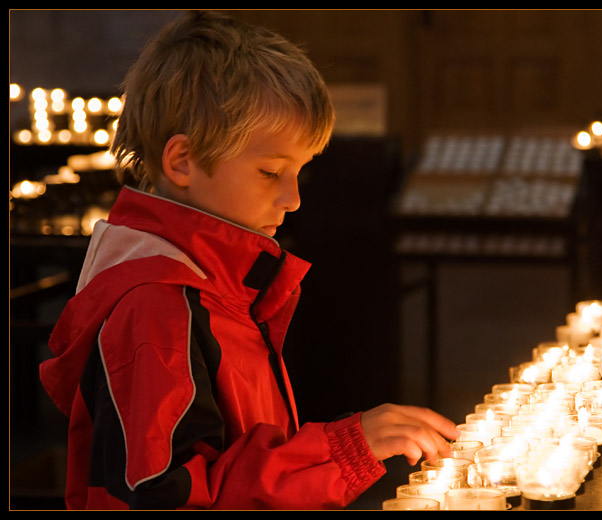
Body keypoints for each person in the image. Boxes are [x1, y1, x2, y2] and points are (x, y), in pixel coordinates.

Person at [39, 10, 458, 510]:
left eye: (299, 171)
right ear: (183, 162)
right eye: (270, 171)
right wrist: (343, 451)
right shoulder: (158, 305)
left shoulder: (216, 282)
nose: (293, 198)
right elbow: (174, 498)